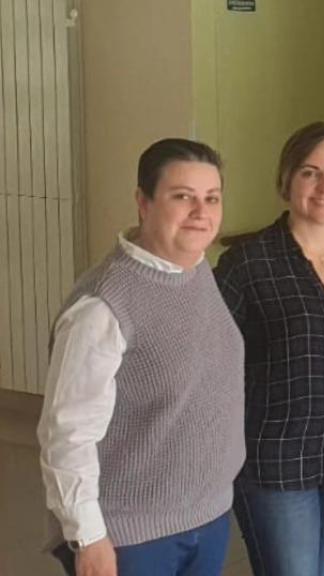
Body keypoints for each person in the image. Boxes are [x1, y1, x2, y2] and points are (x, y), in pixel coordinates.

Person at [38, 138, 243, 576]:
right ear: (143, 203)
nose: (200, 212)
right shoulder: (102, 306)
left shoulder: (199, 271)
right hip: (132, 536)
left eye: (211, 198)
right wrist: (88, 538)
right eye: (182, 197)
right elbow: (67, 434)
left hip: (207, 517)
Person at [215, 122, 324, 576]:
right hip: (274, 461)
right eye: (311, 173)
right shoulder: (248, 263)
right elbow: (213, 365)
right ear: (287, 180)